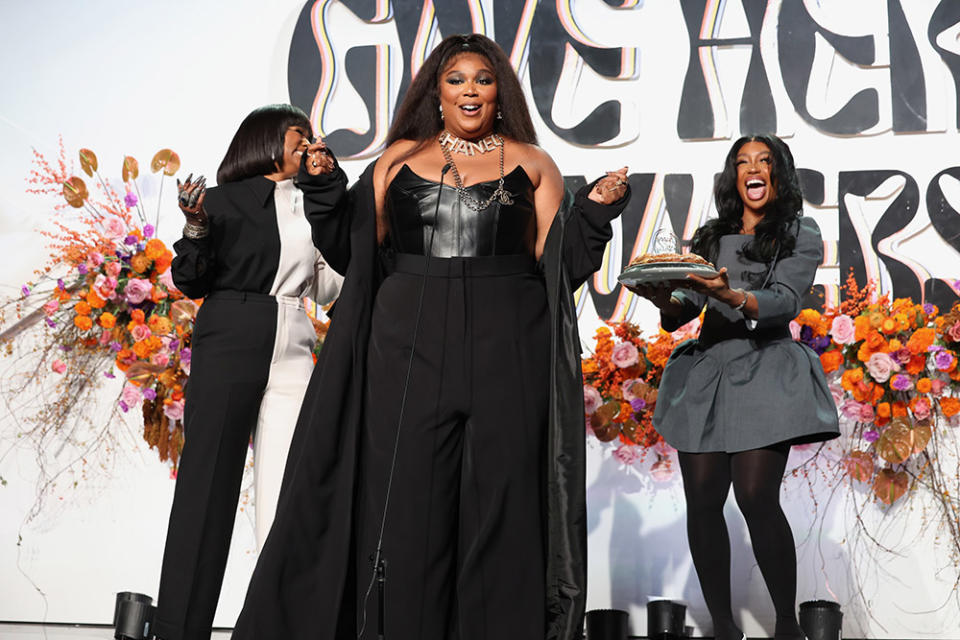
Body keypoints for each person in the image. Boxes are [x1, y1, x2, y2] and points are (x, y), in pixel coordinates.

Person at [231, 34, 630, 640]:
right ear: (435, 93)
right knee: (411, 502)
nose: (470, 91)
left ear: (500, 93)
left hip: (510, 343)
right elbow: (355, 251)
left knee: (504, 499)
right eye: (456, 80)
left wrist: (597, 210)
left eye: (483, 80)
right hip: (409, 341)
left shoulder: (534, 162)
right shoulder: (396, 161)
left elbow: (561, 264)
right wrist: (323, 188)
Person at [635, 134, 839, 640]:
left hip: (766, 367)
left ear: (778, 173)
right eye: (743, 162)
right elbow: (682, 307)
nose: (754, 169)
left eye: (764, 161)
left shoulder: (799, 231)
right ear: (733, 176)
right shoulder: (710, 236)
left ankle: (787, 624)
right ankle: (723, 627)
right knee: (703, 502)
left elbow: (787, 301)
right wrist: (665, 299)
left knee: (755, 497)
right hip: (707, 374)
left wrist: (732, 294)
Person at [152, 104, 342, 640]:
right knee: (207, 487)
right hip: (233, 330)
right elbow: (190, 279)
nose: (308, 144)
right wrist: (195, 227)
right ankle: (179, 630)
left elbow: (330, 285)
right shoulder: (219, 201)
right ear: (265, 141)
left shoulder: (315, 202)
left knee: (290, 493)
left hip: (295, 337)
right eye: (298, 136)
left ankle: (276, 627)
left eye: (310, 136)